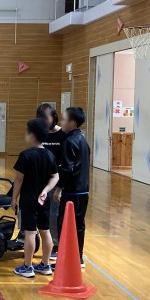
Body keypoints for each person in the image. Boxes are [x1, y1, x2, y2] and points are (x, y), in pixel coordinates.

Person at [12, 118, 59, 278]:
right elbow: (55, 177)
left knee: (30, 232)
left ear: (32, 135)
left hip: (29, 199)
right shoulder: (50, 155)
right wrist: (46, 190)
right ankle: (45, 265)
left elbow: (18, 180)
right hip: (44, 200)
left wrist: (13, 199)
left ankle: (28, 266)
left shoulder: (25, 156)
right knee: (45, 231)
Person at [53, 107, 90, 268]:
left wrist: (59, 188)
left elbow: (67, 168)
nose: (61, 123)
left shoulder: (69, 141)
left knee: (65, 225)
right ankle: (78, 257)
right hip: (84, 190)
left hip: (71, 192)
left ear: (73, 123)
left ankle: (64, 260)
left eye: (64, 120)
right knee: (79, 224)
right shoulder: (83, 139)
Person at [36, 103, 67, 260]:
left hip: (54, 181)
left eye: (46, 118)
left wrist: (59, 188)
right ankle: (26, 235)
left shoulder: (62, 135)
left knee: (53, 213)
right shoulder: (39, 134)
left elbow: (65, 162)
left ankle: (55, 245)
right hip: (38, 180)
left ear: (54, 118)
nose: (43, 121)